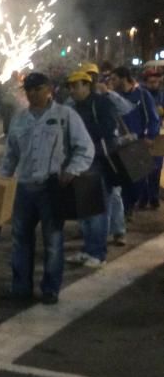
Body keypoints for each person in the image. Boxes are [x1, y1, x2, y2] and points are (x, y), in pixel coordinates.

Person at [0, 72, 94, 305]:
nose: (32, 94)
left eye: (37, 89)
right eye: (29, 90)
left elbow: (85, 147)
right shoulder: (20, 119)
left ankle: (50, 289)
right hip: (24, 188)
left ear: (48, 89)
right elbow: (11, 154)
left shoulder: (65, 115)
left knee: (52, 240)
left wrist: (72, 170)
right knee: (20, 240)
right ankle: (20, 288)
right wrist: (4, 179)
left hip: (52, 187)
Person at [65, 71, 118, 268]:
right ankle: (88, 249)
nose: (72, 90)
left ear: (87, 85)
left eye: (76, 85)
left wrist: (81, 134)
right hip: (80, 163)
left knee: (97, 210)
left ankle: (98, 253)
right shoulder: (73, 106)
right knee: (84, 209)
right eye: (70, 86)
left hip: (99, 161)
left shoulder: (101, 103)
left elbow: (108, 128)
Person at [109, 66, 161, 215]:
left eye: (114, 79)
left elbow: (153, 118)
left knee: (138, 178)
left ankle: (135, 202)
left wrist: (150, 136)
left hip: (138, 143)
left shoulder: (142, 95)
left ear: (123, 78)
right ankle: (126, 210)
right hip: (119, 143)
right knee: (123, 180)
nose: (111, 82)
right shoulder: (114, 97)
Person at [141, 68, 163, 208]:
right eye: (151, 82)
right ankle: (143, 198)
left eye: (156, 82)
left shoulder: (161, 95)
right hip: (144, 135)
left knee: (156, 168)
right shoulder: (142, 95)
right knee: (143, 169)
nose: (154, 84)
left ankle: (153, 197)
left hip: (159, 136)